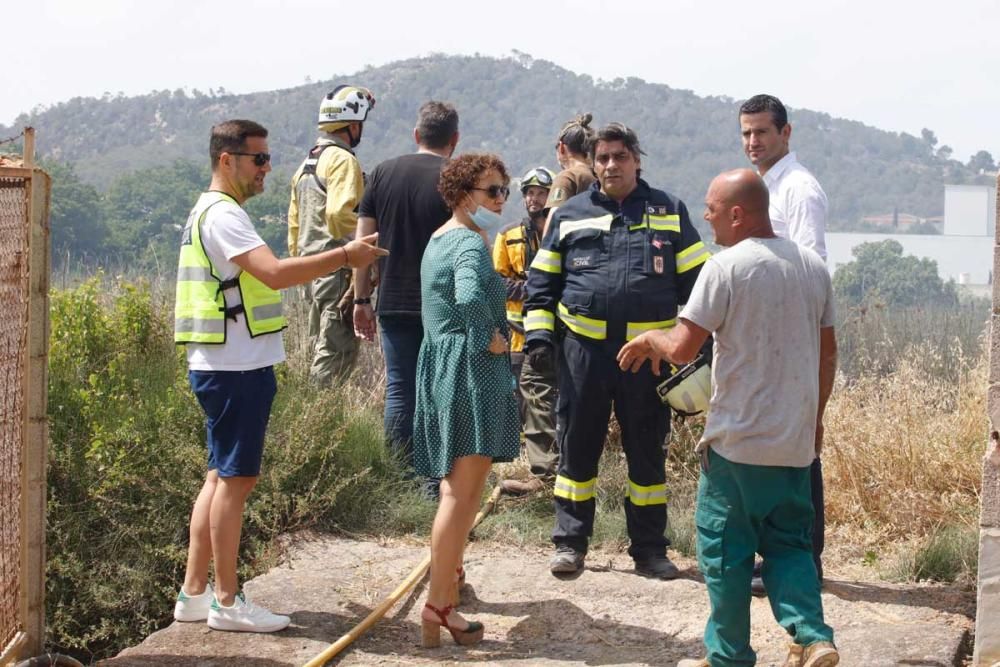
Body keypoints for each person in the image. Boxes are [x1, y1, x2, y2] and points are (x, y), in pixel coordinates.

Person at [618, 169, 839, 667]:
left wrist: (651, 338)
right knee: (789, 546)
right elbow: (828, 355)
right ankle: (813, 636)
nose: (708, 219)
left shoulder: (725, 269)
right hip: (794, 443)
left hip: (737, 445)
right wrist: (816, 418)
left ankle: (729, 657)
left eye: (713, 210)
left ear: (737, 214)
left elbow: (680, 349)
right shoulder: (812, 268)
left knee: (724, 555)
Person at [172, 120, 385, 633]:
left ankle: (194, 594)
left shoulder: (210, 211)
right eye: (259, 159)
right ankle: (227, 601)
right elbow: (274, 273)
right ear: (228, 160)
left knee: (218, 477)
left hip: (222, 364)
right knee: (236, 480)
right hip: (235, 368)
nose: (268, 168)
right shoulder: (225, 216)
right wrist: (346, 256)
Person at [523, 123, 711, 578]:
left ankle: (650, 550)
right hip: (582, 354)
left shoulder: (668, 211)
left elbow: (703, 288)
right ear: (593, 163)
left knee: (646, 451)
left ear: (636, 160)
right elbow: (540, 286)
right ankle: (570, 544)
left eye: (620, 157)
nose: (611, 165)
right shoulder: (567, 215)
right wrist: (539, 341)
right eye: (602, 158)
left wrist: (697, 346)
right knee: (577, 450)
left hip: (648, 360)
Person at [413, 153, 521, 648]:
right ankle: (439, 605)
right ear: (462, 195)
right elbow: (469, 296)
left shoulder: (438, 237)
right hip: (469, 371)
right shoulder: (469, 244)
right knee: (462, 497)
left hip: (442, 367)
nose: (501, 199)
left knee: (453, 492)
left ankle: (448, 585)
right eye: (491, 191)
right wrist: (489, 338)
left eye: (503, 190)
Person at [740, 93, 829, 596]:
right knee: (769, 442)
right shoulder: (760, 187)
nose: (753, 142)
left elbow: (810, 267)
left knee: (800, 449)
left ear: (786, 134)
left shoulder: (799, 190)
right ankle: (773, 554)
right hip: (763, 335)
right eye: (747, 134)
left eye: (762, 133)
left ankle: (805, 558)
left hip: (792, 334)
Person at [354, 101, 459, 480]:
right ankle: (435, 478)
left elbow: (363, 244)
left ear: (416, 135)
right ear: (455, 140)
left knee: (400, 389)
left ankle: (398, 475)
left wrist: (361, 299)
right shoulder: (456, 178)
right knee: (440, 389)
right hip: (445, 304)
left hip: (394, 302)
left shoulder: (382, 173)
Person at [288, 85, 376, 386]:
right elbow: (340, 217)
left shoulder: (306, 165)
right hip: (337, 271)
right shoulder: (342, 160)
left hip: (311, 271)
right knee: (335, 354)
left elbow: (294, 228)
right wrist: (370, 245)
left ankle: (313, 415)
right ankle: (320, 421)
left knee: (319, 346)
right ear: (353, 125)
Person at [493, 166, 560, 495]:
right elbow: (496, 281)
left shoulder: (558, 232)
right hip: (517, 332)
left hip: (551, 332)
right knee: (521, 397)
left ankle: (546, 468)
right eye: (529, 192)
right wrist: (534, 288)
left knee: (546, 400)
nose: (534, 198)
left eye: (540, 192)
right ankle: (530, 465)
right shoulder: (508, 236)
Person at [542, 113, 597, 234]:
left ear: (561, 147)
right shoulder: (598, 178)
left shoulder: (567, 177)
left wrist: (543, 251)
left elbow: (553, 222)